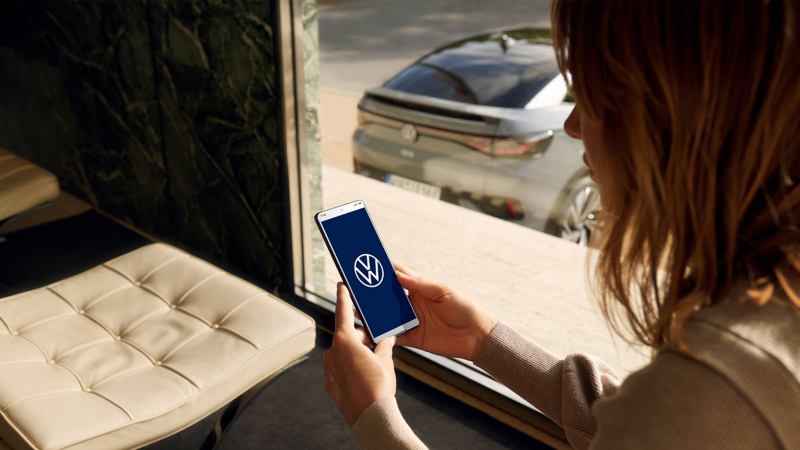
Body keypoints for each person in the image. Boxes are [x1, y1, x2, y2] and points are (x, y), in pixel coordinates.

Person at [322, 0, 800, 448]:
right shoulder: (767, 308)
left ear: (671, 117)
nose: (572, 126)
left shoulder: (712, 384)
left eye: (591, 95)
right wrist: (483, 342)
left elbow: (666, 421)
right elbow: (644, 426)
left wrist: (374, 416)